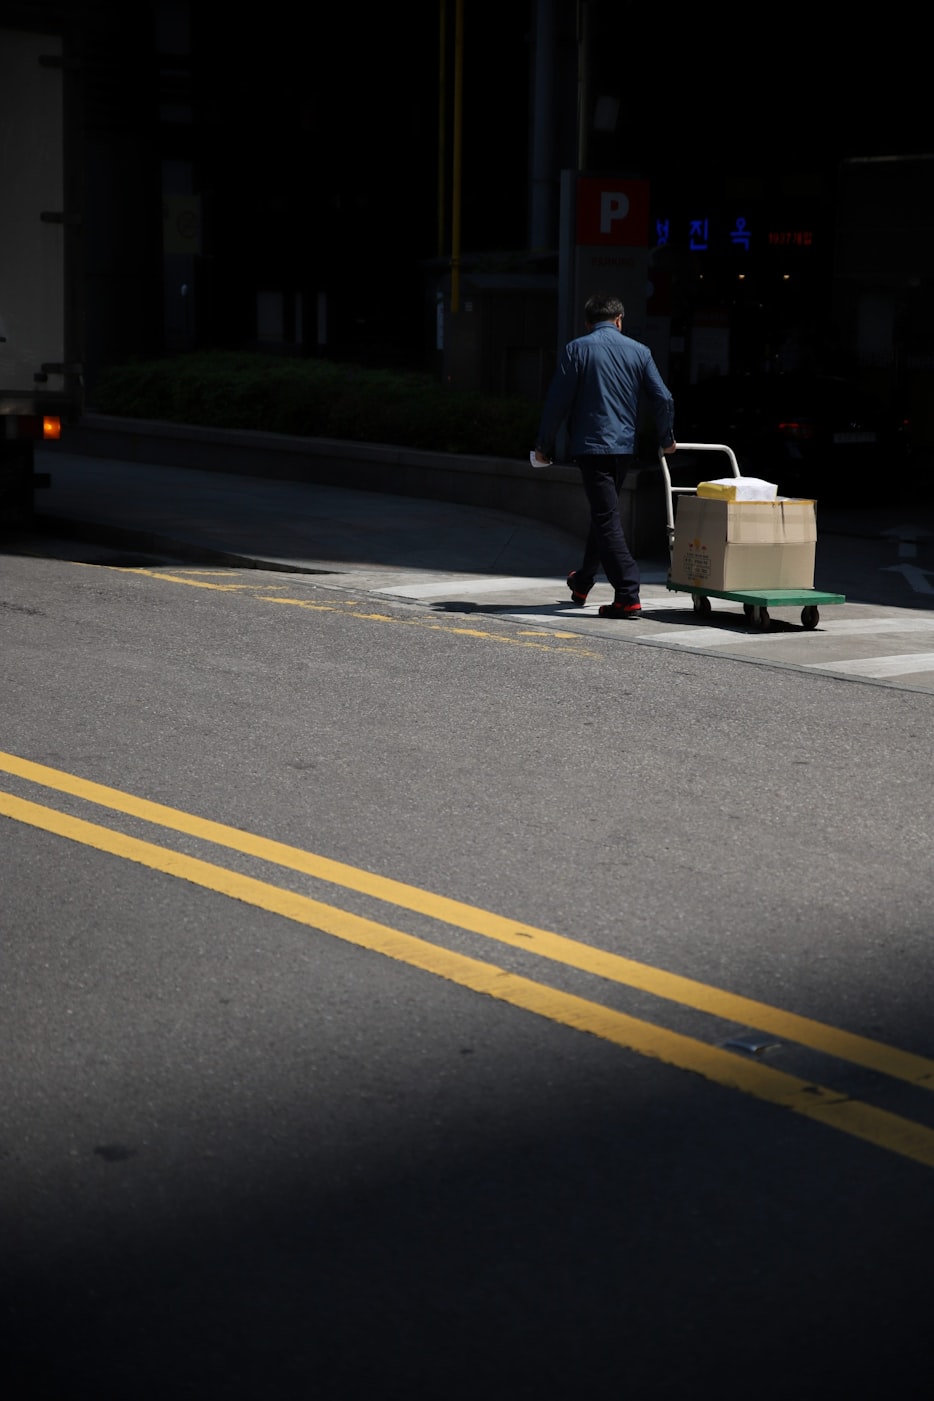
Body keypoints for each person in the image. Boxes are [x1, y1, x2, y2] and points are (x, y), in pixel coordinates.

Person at [532, 292, 676, 618]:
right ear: (619, 320)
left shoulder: (577, 349)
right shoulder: (640, 351)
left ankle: (627, 593)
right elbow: (663, 398)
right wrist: (666, 438)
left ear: (588, 323)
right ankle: (583, 581)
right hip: (623, 448)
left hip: (591, 448)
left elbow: (557, 403)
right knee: (604, 514)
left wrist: (543, 446)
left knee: (606, 518)